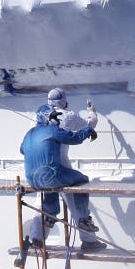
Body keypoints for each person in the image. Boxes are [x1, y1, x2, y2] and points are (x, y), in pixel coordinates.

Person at [21, 105, 100, 251]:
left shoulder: (29, 133)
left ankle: (46, 222)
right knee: (81, 179)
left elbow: (22, 150)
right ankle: (83, 220)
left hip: (33, 180)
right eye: (54, 117)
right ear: (47, 119)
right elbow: (75, 138)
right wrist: (89, 129)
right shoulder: (52, 130)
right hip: (52, 174)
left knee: (50, 189)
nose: (56, 120)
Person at [46, 88, 105, 251]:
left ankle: (38, 238)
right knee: (75, 196)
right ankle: (89, 240)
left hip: (40, 164)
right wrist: (92, 112)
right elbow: (89, 126)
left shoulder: (38, 116)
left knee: (43, 203)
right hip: (61, 163)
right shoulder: (69, 115)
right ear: (64, 101)